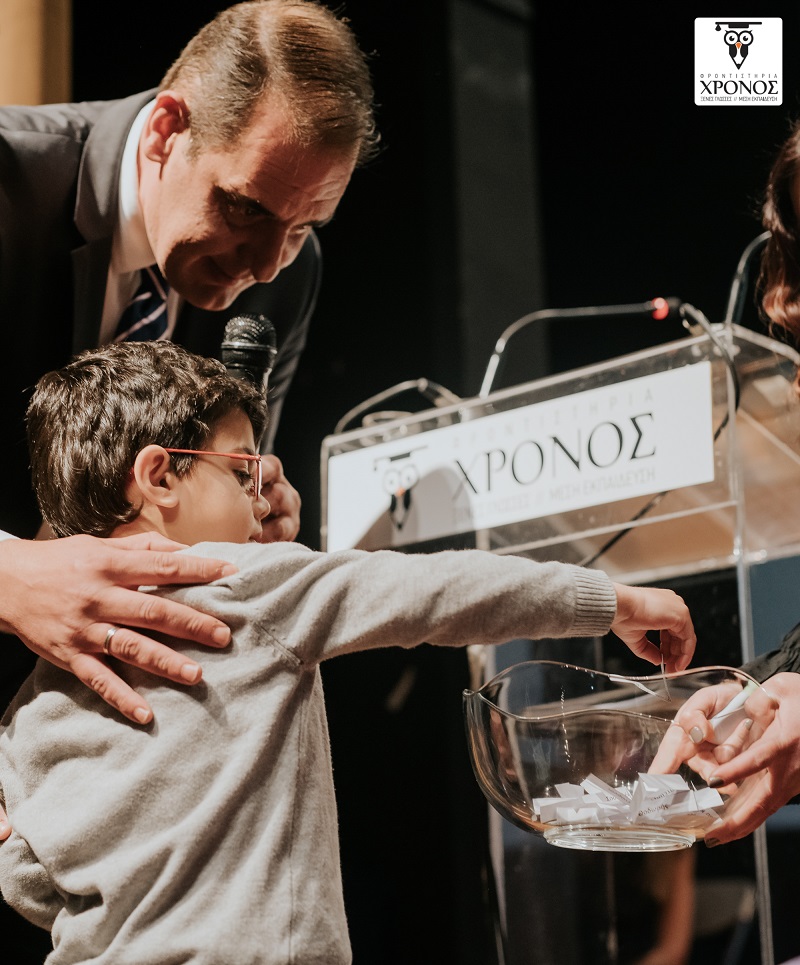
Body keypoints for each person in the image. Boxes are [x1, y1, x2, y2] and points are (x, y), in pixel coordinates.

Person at [0, 340, 697, 964]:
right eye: (243, 473)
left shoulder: (38, 692)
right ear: (159, 477)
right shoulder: (247, 582)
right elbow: (439, 591)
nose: (261, 505)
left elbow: (25, 877)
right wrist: (612, 601)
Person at [0, 0, 378, 728]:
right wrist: (8, 578)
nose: (266, 266)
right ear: (167, 130)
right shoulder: (9, 181)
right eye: (245, 209)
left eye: (303, 226)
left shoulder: (291, 273)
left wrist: (246, 510)